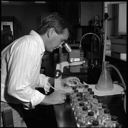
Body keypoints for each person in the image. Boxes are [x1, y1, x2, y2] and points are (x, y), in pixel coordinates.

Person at [1, 12, 74, 128]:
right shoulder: (29, 45)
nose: (61, 45)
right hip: (5, 105)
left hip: (12, 103)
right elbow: (16, 88)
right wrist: (48, 99)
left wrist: (52, 81)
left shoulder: (33, 45)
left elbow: (29, 77)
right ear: (51, 32)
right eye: (62, 40)